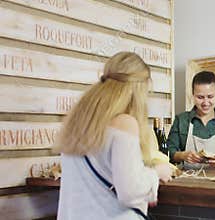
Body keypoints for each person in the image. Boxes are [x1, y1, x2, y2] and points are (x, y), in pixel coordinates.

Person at [55, 52, 172, 220]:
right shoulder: (124, 123)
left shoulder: (76, 122)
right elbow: (130, 191)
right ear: (137, 88)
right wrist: (157, 173)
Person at [167, 71, 215, 169]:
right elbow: (168, 152)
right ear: (193, 94)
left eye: (210, 96)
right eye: (200, 97)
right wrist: (183, 155)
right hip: (187, 181)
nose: (205, 103)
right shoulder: (181, 120)